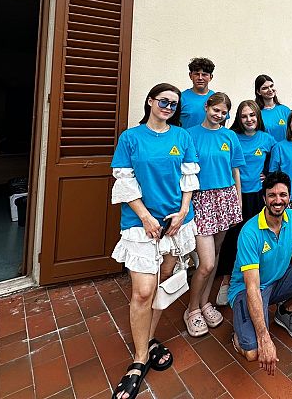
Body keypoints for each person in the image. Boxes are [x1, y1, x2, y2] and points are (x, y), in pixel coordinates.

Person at [109, 83, 200, 399]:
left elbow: (189, 179)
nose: (168, 107)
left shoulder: (182, 137)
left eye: (174, 104)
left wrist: (183, 212)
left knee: (161, 285)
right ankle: (138, 360)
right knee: (143, 291)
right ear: (150, 101)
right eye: (164, 101)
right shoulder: (131, 138)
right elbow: (124, 180)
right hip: (141, 224)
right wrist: (146, 217)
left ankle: (147, 342)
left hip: (174, 225)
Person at [229, 171, 292, 375]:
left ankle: (284, 312)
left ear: (289, 197)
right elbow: (252, 288)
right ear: (264, 198)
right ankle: (240, 334)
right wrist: (264, 337)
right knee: (253, 353)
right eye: (272, 195)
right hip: (248, 290)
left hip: (278, 280)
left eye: (283, 195)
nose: (278, 200)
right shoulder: (250, 232)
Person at [185, 93, 245, 337]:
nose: (219, 115)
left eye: (223, 112)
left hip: (225, 198)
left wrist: (238, 200)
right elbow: (184, 172)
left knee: (217, 253)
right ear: (206, 106)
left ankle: (204, 302)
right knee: (206, 262)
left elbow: (235, 170)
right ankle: (191, 309)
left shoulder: (229, 136)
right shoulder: (189, 135)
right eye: (215, 110)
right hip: (201, 199)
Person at [215, 100, 277, 306]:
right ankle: (227, 281)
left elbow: (277, 161)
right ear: (238, 119)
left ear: (258, 117)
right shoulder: (232, 137)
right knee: (232, 238)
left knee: (256, 238)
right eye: (244, 116)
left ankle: (254, 279)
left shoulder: (267, 139)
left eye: (252, 115)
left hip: (258, 196)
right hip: (235, 194)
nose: (249, 119)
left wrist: (267, 175)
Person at [179, 57, 217, 128]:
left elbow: (221, 126)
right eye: (196, 74)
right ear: (190, 76)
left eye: (204, 74)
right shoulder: (180, 98)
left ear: (211, 77)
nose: (200, 78)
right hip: (186, 135)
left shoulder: (217, 99)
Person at [255, 74, 292, 142]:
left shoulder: (285, 110)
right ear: (258, 92)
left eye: (271, 86)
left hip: (284, 148)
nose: (270, 90)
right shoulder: (256, 113)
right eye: (265, 88)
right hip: (266, 148)